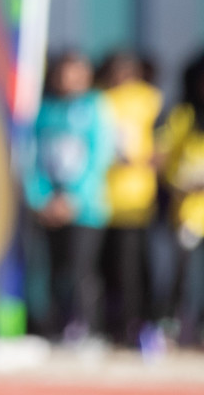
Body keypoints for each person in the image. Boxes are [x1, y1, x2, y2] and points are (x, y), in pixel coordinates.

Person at [24, 49, 116, 342]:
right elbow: (30, 157)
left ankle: (86, 326)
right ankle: (50, 327)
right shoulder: (44, 111)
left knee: (80, 270)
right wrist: (41, 198)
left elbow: (99, 157)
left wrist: (73, 198)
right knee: (49, 270)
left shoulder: (95, 107)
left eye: (76, 73)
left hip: (85, 208)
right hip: (48, 206)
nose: (68, 79)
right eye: (63, 73)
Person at [95, 49, 163, 348]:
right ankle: (109, 325)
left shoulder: (148, 99)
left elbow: (163, 138)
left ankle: (138, 324)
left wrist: (154, 158)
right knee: (103, 268)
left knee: (134, 268)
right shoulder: (99, 101)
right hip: (101, 198)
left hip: (136, 198)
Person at [159, 49, 204, 346]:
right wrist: (179, 182)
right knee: (181, 274)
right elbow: (162, 155)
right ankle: (172, 327)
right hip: (188, 212)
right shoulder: (183, 116)